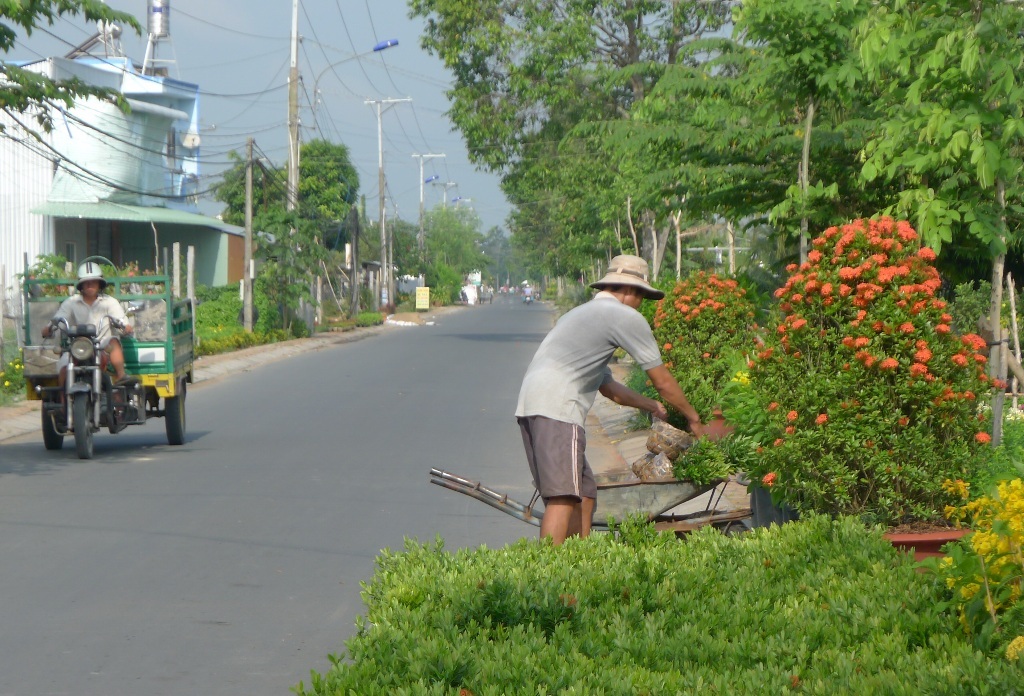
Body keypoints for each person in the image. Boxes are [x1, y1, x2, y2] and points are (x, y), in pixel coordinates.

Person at [516, 254, 715, 545]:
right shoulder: (623, 316)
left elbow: (609, 389)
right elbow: (662, 380)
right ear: (631, 290)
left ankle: (578, 562)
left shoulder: (583, 314)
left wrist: (651, 407)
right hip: (558, 409)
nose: (641, 305)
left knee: (583, 492)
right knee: (562, 496)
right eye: (642, 297)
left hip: (534, 404)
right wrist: (694, 419)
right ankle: (549, 572)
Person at [41, 261, 134, 386]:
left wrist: (125, 326)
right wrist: (49, 328)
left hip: (102, 346)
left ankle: (121, 375)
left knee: (114, 342)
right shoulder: (71, 302)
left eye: (94, 281)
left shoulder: (109, 302)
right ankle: (64, 404)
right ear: (81, 286)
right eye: (86, 282)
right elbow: (59, 318)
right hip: (78, 347)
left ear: (100, 284)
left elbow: (120, 318)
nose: (90, 285)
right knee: (63, 370)